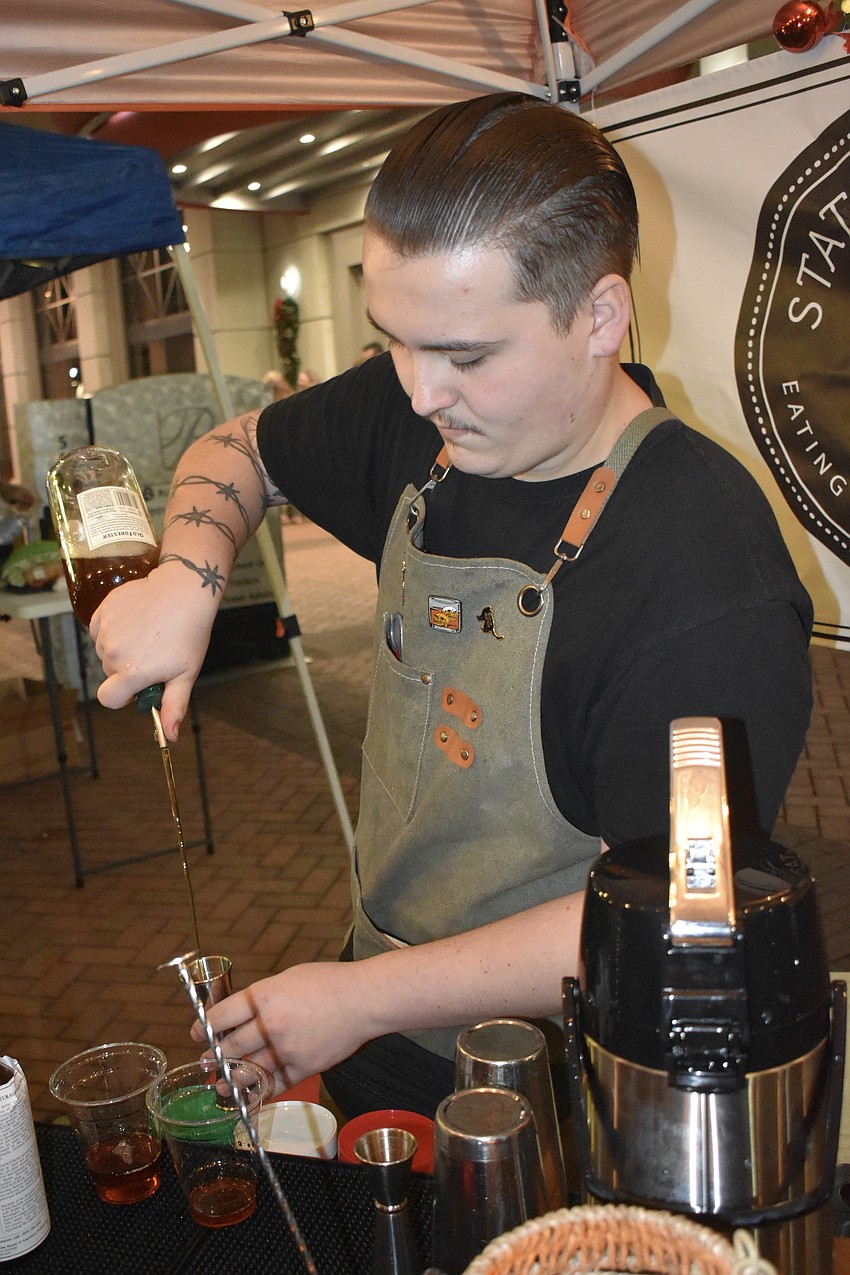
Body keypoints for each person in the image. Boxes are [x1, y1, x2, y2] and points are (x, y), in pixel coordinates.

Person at [89, 93, 813, 1120]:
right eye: (395, 339)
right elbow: (240, 447)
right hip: (379, 1017)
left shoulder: (699, 569)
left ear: (600, 316)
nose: (420, 392)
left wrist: (355, 1000)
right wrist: (188, 573)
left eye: (467, 356)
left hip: (574, 1087)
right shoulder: (420, 407)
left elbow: (669, 920)